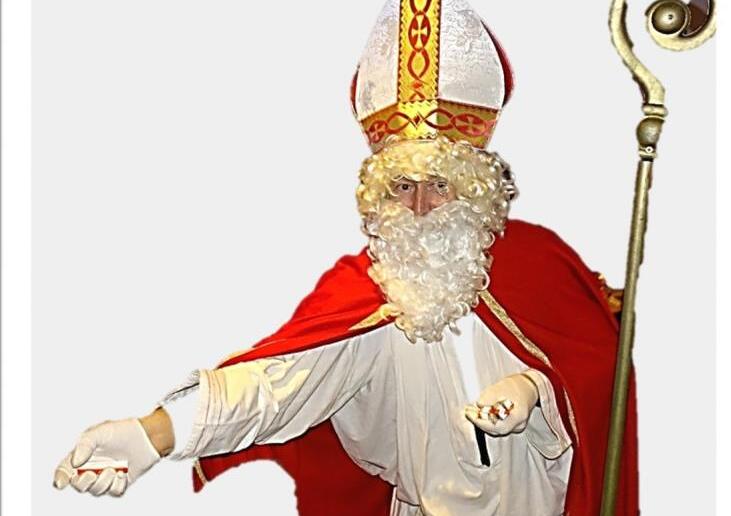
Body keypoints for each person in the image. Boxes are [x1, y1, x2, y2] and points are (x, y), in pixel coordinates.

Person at [53, 1, 638, 514]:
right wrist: (152, 434)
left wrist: (534, 390)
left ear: (474, 189)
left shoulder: (540, 264)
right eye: (401, 187)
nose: (419, 206)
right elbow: (273, 386)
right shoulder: (369, 288)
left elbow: (598, 379)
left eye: (439, 184)